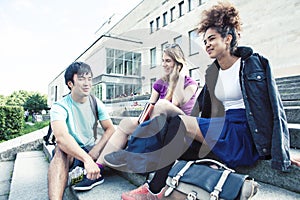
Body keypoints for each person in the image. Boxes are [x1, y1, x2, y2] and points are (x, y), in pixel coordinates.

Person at [120, 2, 300, 199]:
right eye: (205, 40)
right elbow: (200, 111)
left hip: (243, 134)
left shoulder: (253, 64)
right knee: (172, 126)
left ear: (228, 38)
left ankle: (153, 190)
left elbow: (275, 109)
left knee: (179, 124)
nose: (206, 44)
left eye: (212, 38)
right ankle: (157, 174)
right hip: (221, 129)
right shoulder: (213, 73)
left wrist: (282, 151)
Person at [97, 44, 198, 168]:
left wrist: (180, 76)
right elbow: (150, 105)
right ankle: (98, 167)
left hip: (179, 127)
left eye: (168, 61)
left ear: (178, 63)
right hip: (158, 125)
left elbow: (175, 103)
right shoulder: (160, 83)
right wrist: (141, 120)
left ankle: (133, 153)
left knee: (162, 105)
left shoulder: (190, 84)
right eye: (163, 60)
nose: (164, 64)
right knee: (126, 123)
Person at [48, 61, 115, 200]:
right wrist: (86, 160)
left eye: (89, 79)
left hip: (91, 149)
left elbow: (110, 129)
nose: (87, 83)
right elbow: (61, 137)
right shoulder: (60, 106)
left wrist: (95, 150)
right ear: (70, 84)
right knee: (61, 151)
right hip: (72, 151)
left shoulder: (95, 102)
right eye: (81, 79)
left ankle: (90, 173)